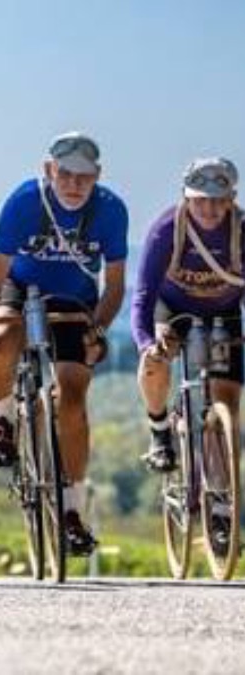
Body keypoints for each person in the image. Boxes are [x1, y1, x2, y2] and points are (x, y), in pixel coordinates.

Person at [0, 132, 128, 556]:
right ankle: (1, 419)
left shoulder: (111, 211)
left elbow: (114, 286)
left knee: (72, 398)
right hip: (19, 289)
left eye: (84, 177)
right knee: (2, 341)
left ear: (97, 177)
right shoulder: (23, 202)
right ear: (48, 171)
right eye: (66, 175)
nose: (74, 185)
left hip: (75, 301)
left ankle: (73, 512)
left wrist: (98, 329)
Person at [131, 157, 242, 554]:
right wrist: (147, 343)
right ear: (186, 198)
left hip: (225, 314)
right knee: (157, 359)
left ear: (231, 199)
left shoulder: (241, 231)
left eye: (217, 200)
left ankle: (222, 510)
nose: (208, 209)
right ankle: (160, 428)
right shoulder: (166, 230)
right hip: (171, 310)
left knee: (226, 403)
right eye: (199, 200)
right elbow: (142, 296)